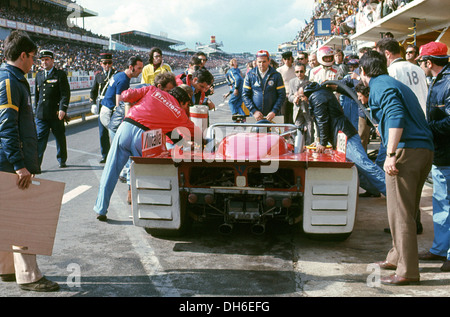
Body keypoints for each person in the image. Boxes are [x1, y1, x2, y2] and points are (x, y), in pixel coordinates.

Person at [360, 50, 434, 285]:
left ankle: (407, 271)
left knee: (400, 212)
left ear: (364, 72)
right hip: (423, 150)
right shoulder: (391, 82)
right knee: (408, 209)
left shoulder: (378, 86)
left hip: (405, 151)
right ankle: (396, 256)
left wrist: (390, 153)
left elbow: (395, 114)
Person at [0, 30, 59, 292]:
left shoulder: (10, 79)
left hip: (6, 160)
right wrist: (19, 165)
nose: (34, 62)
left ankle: (6, 269)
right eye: (33, 57)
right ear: (22, 55)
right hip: (10, 162)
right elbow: (7, 128)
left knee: (7, 217)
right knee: (25, 218)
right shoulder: (10, 81)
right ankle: (29, 276)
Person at [93, 85, 201, 221]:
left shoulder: (152, 90)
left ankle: (100, 209)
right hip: (145, 138)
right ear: (183, 102)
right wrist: (201, 143)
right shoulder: (179, 113)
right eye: (186, 105)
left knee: (110, 169)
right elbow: (193, 134)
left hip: (125, 127)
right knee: (144, 177)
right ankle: (144, 213)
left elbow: (126, 95)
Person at [304, 82, 386, 198]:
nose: (302, 99)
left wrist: (322, 142)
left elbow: (322, 120)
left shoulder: (316, 96)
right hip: (343, 135)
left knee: (364, 164)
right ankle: (374, 189)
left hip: (345, 136)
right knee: (355, 167)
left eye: (302, 97)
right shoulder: (321, 94)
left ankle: (392, 191)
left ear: (307, 93)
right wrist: (319, 140)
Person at [416, 41, 450, 272]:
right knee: (441, 203)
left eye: (421, 62)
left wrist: (429, 128)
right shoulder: (440, 80)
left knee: (446, 203)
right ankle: (439, 249)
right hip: (442, 155)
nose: (421, 66)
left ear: (429, 62)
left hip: (447, 155)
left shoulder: (447, 82)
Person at [34, 49, 71, 169]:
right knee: (40, 139)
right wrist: (35, 111)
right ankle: (36, 164)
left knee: (60, 137)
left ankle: (62, 159)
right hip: (42, 115)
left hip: (56, 113)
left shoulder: (60, 75)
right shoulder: (39, 75)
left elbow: (65, 94)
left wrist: (63, 109)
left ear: (52, 61)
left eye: (47, 60)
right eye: (42, 60)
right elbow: (37, 95)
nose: (44, 62)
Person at [376, 37, 428, 114]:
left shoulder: (390, 72)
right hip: (424, 118)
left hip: (407, 120)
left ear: (387, 54)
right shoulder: (419, 69)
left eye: (380, 55)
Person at [100, 56, 144, 139]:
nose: (140, 71)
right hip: (109, 113)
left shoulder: (120, 75)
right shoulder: (123, 80)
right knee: (119, 141)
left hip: (105, 110)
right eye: (139, 68)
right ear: (131, 67)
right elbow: (119, 104)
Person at [242, 50, 285, 122]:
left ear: (269, 61)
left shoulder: (276, 75)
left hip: (273, 116)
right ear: (256, 62)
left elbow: (281, 95)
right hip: (255, 116)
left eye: (264, 62)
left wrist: (274, 111)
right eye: (259, 62)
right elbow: (245, 95)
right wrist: (254, 111)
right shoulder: (250, 75)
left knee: (274, 133)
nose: (261, 64)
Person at [90, 53, 117, 163]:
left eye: (109, 63)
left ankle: (115, 155)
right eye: (104, 63)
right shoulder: (98, 76)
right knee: (103, 133)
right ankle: (105, 155)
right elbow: (93, 91)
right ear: (101, 64)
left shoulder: (116, 75)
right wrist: (92, 104)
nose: (107, 65)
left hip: (114, 106)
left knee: (115, 132)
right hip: (102, 106)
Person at [288, 62, 313, 144]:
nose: (299, 74)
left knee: (310, 128)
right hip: (297, 109)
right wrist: (294, 98)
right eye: (297, 72)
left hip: (307, 109)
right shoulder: (292, 82)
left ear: (305, 71)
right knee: (297, 128)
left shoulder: (309, 79)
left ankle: (309, 144)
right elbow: (289, 96)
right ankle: (297, 145)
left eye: (301, 71)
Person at [277, 51, 296, 124]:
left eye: (289, 59)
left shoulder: (296, 69)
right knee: (284, 115)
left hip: (294, 95)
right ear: (283, 60)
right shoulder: (279, 70)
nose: (287, 61)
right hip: (284, 95)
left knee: (293, 116)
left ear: (292, 59)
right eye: (285, 59)